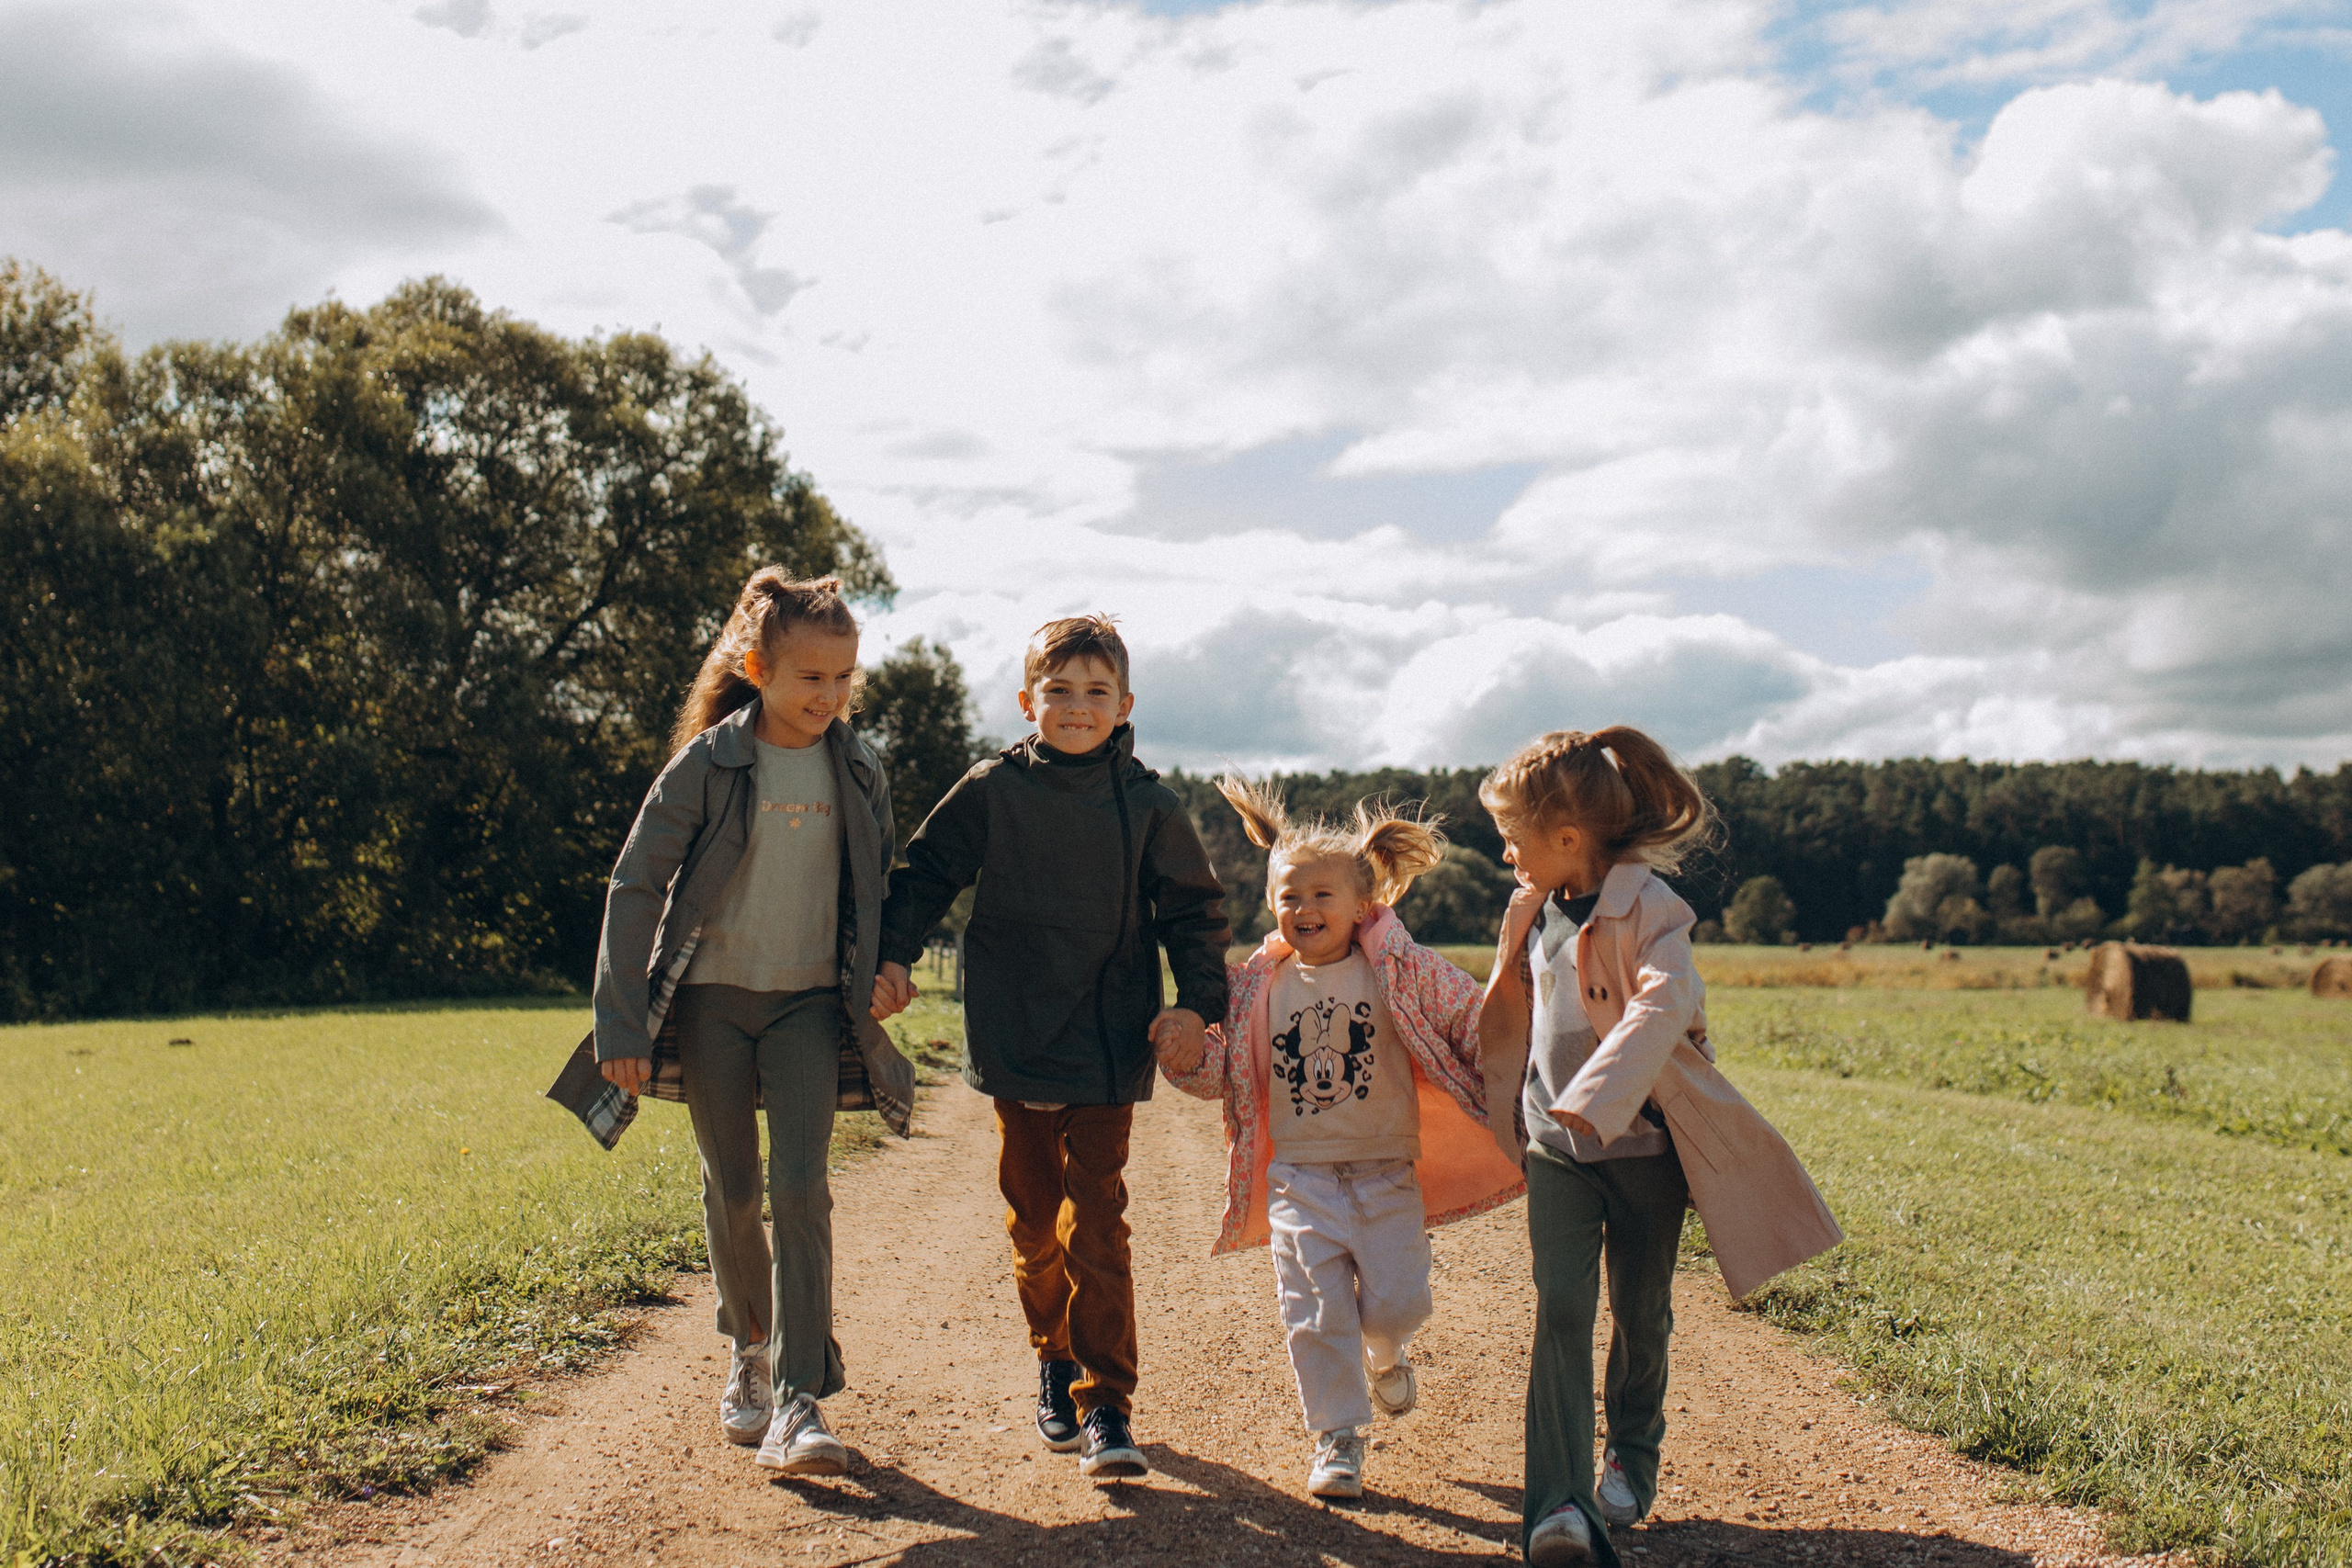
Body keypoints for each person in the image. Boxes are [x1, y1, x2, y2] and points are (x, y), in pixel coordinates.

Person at [868, 615, 1229, 1480]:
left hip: (1108, 1040)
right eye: (1058, 691)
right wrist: (891, 958)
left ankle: (1107, 1406)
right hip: (1017, 1031)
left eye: (1095, 691)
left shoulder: (1148, 803)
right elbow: (925, 875)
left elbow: (1193, 911)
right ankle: (1053, 1357)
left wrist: (1198, 1007)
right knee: (1036, 1222)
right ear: (1029, 701)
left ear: (1125, 703)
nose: (1076, 707)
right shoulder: (993, 789)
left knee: (1097, 1220)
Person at [1476, 728, 1843, 1566]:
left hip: (1644, 1151)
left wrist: (1598, 1099)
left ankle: (1630, 1459)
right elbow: (1514, 1015)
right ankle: (1559, 1508)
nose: (1504, 852)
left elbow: (1662, 1004)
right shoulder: (1531, 908)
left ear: (1566, 839)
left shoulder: (1656, 912)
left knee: (1640, 1317)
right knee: (1560, 1309)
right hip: (1556, 1146)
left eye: (1513, 836)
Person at [575, 568, 914, 1478]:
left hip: (809, 1006)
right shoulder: (710, 763)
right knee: (732, 1192)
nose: (830, 697)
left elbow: (875, 890)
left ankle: (802, 1396)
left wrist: (889, 968)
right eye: (812, 678)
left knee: (802, 1188)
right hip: (713, 1004)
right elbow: (635, 884)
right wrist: (620, 1025)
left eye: (845, 679)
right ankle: (750, 1353)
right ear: (759, 667)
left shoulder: (859, 767)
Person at [1157, 781, 1525, 1500]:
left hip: (1388, 1175)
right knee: (1313, 1313)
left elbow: (1469, 1019)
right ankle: (1338, 1437)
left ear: (1363, 903)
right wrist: (1184, 1055)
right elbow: (1221, 1070)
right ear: (1271, 903)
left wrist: (1512, 1070)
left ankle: (1386, 1354)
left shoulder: (1400, 967)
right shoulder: (1253, 987)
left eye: (1323, 895)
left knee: (1399, 1304)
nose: (1305, 909)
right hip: (1301, 1177)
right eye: (1290, 895)